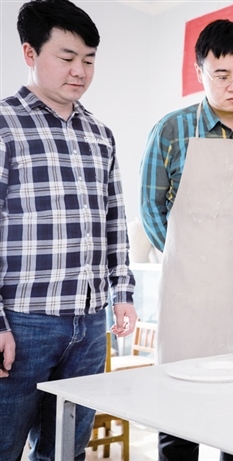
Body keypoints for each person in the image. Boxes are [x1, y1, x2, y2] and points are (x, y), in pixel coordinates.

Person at [0, 0, 137, 459]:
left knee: (66, 452)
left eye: (89, 59)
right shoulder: (4, 125)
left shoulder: (100, 134)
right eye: (67, 57)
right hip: (23, 322)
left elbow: (114, 220)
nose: (80, 71)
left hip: (90, 323)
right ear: (30, 53)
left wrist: (122, 292)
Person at [139, 19, 233, 461]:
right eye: (221, 75)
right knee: (179, 420)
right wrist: (193, 256)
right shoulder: (171, 131)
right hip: (189, 300)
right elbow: (151, 210)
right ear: (200, 72)